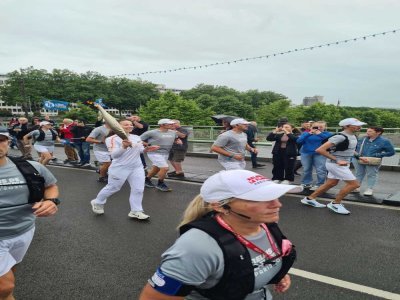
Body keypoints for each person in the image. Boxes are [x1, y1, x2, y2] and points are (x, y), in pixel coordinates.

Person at [139, 169, 302, 300]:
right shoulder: (196, 248)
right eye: (259, 199)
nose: (277, 204)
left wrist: (275, 273)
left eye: (274, 195)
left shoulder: (265, 224)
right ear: (221, 206)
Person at [0, 127, 59, 300]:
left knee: (11, 271)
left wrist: (51, 201)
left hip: (24, 230)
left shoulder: (31, 166)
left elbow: (50, 186)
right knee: (6, 286)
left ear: (8, 142)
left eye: (0, 139)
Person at [90, 120, 159, 220]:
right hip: (120, 167)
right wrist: (123, 147)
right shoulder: (111, 139)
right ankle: (98, 202)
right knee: (113, 188)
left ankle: (136, 211)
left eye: (131, 125)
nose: (129, 126)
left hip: (136, 167)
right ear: (118, 126)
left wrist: (146, 150)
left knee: (138, 189)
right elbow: (114, 155)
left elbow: (139, 150)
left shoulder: (136, 137)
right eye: (126, 124)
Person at [301, 118, 366, 214]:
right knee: (354, 184)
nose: (359, 127)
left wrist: (359, 157)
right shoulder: (340, 137)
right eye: (356, 125)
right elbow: (320, 150)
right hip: (336, 164)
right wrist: (337, 160)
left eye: (360, 125)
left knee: (331, 183)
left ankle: (310, 198)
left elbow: (350, 149)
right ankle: (335, 204)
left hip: (339, 164)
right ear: (346, 126)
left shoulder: (353, 136)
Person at [352, 126, 395, 196]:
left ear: (378, 133)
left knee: (371, 174)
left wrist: (378, 155)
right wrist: (356, 156)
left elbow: (391, 152)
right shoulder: (362, 138)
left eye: (370, 131)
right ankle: (356, 187)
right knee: (358, 173)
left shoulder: (384, 141)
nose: (367, 132)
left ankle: (370, 189)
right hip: (358, 158)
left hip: (372, 160)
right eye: (367, 131)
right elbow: (354, 147)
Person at [140, 119, 179, 192]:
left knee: (157, 168)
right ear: (162, 125)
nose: (172, 125)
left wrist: (178, 141)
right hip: (154, 152)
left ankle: (146, 180)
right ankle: (160, 184)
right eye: (169, 124)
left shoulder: (173, 132)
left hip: (165, 153)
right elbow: (138, 140)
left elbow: (176, 139)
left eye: (172, 124)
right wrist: (147, 145)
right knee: (165, 168)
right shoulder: (152, 132)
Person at [297, 121, 332, 190]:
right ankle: (306, 183)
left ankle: (320, 184)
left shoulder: (327, 134)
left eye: (321, 127)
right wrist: (309, 133)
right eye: (316, 127)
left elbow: (328, 141)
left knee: (321, 170)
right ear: (311, 127)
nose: (318, 128)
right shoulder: (306, 133)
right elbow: (299, 141)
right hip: (306, 153)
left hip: (320, 154)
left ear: (325, 127)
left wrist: (319, 134)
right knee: (306, 169)